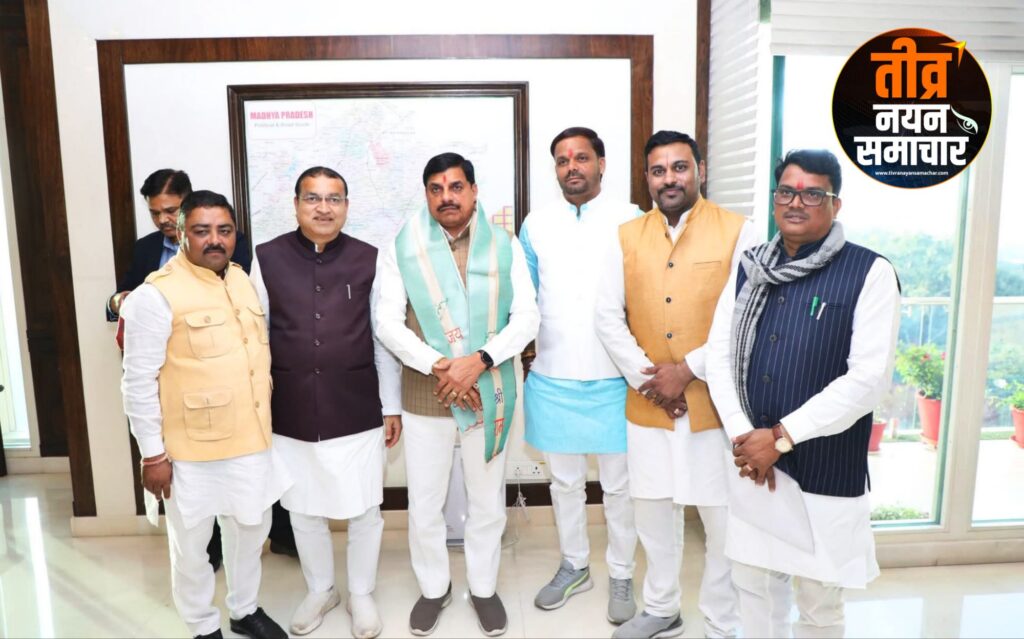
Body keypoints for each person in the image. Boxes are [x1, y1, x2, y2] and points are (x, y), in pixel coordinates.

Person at [704, 149, 901, 638]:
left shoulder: (869, 272)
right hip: (753, 462)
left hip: (824, 466)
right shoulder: (749, 268)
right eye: (787, 192)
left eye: (813, 194)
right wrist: (745, 437)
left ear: (836, 204)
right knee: (752, 585)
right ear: (775, 199)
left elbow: (868, 379)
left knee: (818, 601)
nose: (797, 203)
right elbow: (718, 355)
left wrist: (780, 438)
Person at [596, 131, 759, 639]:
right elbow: (607, 317)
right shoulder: (625, 236)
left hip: (715, 405)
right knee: (652, 513)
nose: (670, 178)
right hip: (648, 405)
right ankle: (662, 608)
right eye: (658, 170)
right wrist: (651, 381)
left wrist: (685, 371)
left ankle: (722, 622)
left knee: (720, 518)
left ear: (700, 171)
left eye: (680, 167)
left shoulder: (740, 231)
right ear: (647, 178)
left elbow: (743, 319)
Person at [373, 152, 539, 637]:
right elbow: (386, 321)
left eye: (456, 187)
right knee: (425, 503)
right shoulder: (403, 246)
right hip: (426, 395)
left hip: (489, 391)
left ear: (473, 191)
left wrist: (478, 362)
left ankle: (483, 589)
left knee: (486, 500)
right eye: (436, 188)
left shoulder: (504, 245)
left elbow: (527, 317)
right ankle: (434, 588)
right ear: (426, 194)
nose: (447, 197)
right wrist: (441, 366)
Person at [120, 190, 290, 639]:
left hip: (250, 440)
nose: (215, 240)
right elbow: (137, 382)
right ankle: (201, 625)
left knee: (250, 530)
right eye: (202, 230)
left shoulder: (242, 280)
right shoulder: (154, 295)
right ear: (181, 234)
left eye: (224, 230)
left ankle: (244, 610)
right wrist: (152, 455)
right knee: (192, 545)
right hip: (189, 451)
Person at [250, 166, 402, 638]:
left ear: (346, 207)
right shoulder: (266, 258)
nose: (323, 208)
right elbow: (257, 336)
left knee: (364, 508)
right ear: (296, 204)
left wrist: (391, 405)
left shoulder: (370, 258)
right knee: (303, 509)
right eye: (313, 198)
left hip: (356, 406)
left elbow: (382, 339)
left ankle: (360, 592)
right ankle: (321, 589)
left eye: (333, 199)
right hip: (291, 408)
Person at [519, 127, 640, 623]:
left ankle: (622, 573)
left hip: (616, 379)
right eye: (562, 160)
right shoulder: (536, 224)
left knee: (620, 488)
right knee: (564, 484)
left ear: (601, 164)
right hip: (554, 377)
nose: (572, 167)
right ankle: (574, 565)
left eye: (581, 157)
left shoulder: (631, 219)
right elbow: (525, 299)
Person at [107, 169, 251, 321]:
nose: (162, 220)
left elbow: (241, 295)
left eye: (170, 211)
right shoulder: (145, 247)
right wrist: (117, 302)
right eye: (155, 213)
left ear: (188, 206)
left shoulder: (223, 244)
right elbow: (122, 297)